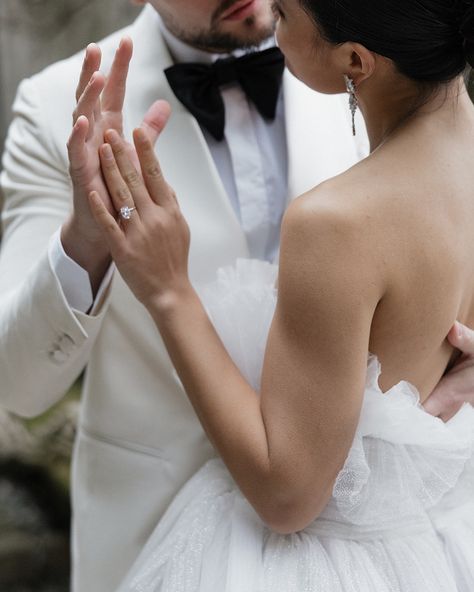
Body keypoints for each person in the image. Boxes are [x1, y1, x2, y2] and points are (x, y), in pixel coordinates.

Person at [0, 0, 472, 590]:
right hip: (151, 545)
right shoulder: (55, 108)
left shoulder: (362, 34)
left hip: (379, 541)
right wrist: (87, 239)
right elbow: (18, 384)